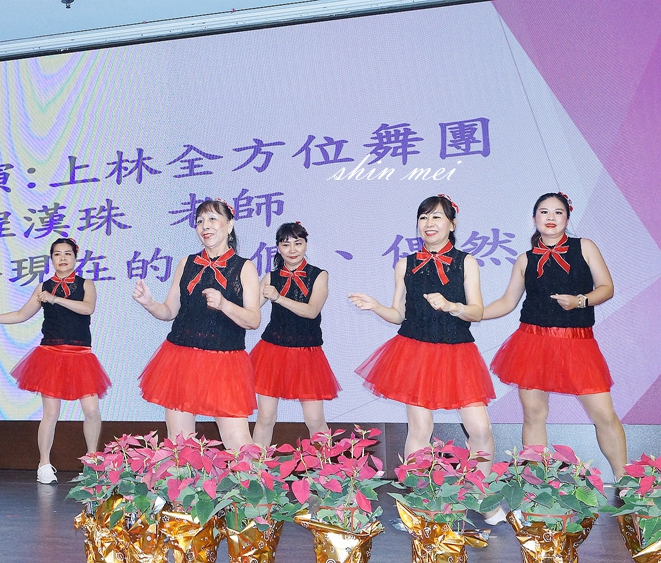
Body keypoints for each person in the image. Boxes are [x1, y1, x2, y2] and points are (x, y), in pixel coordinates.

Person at [348, 195, 504, 524]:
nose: (429, 224)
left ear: (452, 223)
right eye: (423, 218)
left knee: (480, 428)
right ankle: (422, 504)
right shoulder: (405, 264)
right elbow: (398, 314)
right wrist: (376, 306)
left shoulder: (466, 262)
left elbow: (477, 311)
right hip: (414, 350)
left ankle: (478, 493)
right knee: (420, 427)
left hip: (457, 350)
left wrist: (451, 306)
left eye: (436, 217)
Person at [484, 192, 626, 477]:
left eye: (558, 212)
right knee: (534, 414)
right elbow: (507, 302)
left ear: (567, 218)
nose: (551, 217)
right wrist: (468, 312)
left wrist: (580, 301)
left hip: (577, 343)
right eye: (544, 212)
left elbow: (606, 288)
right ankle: (537, 483)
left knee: (604, 414)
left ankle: (627, 482)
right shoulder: (525, 259)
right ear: (534, 218)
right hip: (532, 342)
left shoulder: (584, 246)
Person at [0, 237, 110, 484]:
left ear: (75, 257)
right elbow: (21, 314)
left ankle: (92, 461)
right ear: (51, 258)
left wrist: (55, 299)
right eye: (57, 254)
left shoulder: (86, 284)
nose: (63, 258)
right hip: (51, 355)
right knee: (50, 412)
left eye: (67, 253)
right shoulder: (43, 287)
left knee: (91, 410)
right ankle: (44, 463)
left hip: (80, 355)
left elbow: (87, 308)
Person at [133, 199, 260, 451]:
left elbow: (253, 320)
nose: (205, 226)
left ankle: (256, 479)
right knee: (179, 443)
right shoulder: (186, 263)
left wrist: (224, 304)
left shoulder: (244, 267)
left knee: (238, 442)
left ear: (229, 225)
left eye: (212, 219)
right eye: (200, 221)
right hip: (181, 357)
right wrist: (149, 303)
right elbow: (169, 311)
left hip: (225, 361)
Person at [251, 222, 340, 447]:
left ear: (305, 245)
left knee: (315, 419)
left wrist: (278, 297)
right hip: (271, 352)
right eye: (286, 244)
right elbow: (251, 310)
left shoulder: (319, 275)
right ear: (278, 248)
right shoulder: (270, 278)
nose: (292, 250)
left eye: (298, 243)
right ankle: (254, 466)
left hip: (307, 353)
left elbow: (311, 311)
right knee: (265, 417)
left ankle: (328, 467)